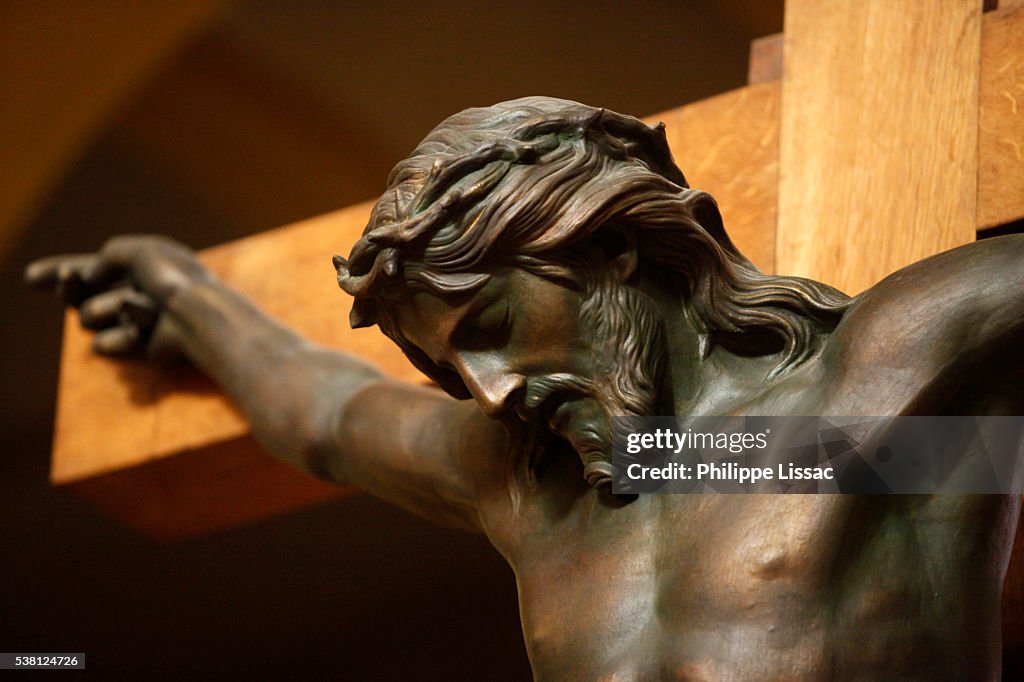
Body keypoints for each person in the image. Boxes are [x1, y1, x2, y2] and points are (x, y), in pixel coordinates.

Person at [28, 97, 1024, 679]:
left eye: (492, 331)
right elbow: (327, 411)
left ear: (616, 248)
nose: (491, 392)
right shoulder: (537, 488)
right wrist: (186, 297)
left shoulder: (884, 376)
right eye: (450, 369)